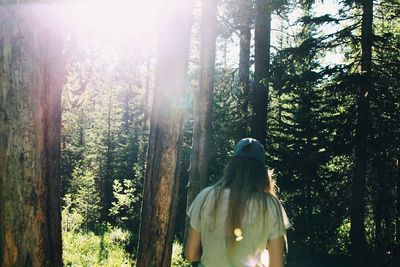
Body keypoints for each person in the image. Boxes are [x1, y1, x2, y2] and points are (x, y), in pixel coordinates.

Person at [185, 138, 290, 267]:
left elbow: (190, 254)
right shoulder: (270, 205)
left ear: (232, 166)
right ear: (262, 171)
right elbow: (276, 264)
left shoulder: (206, 196)